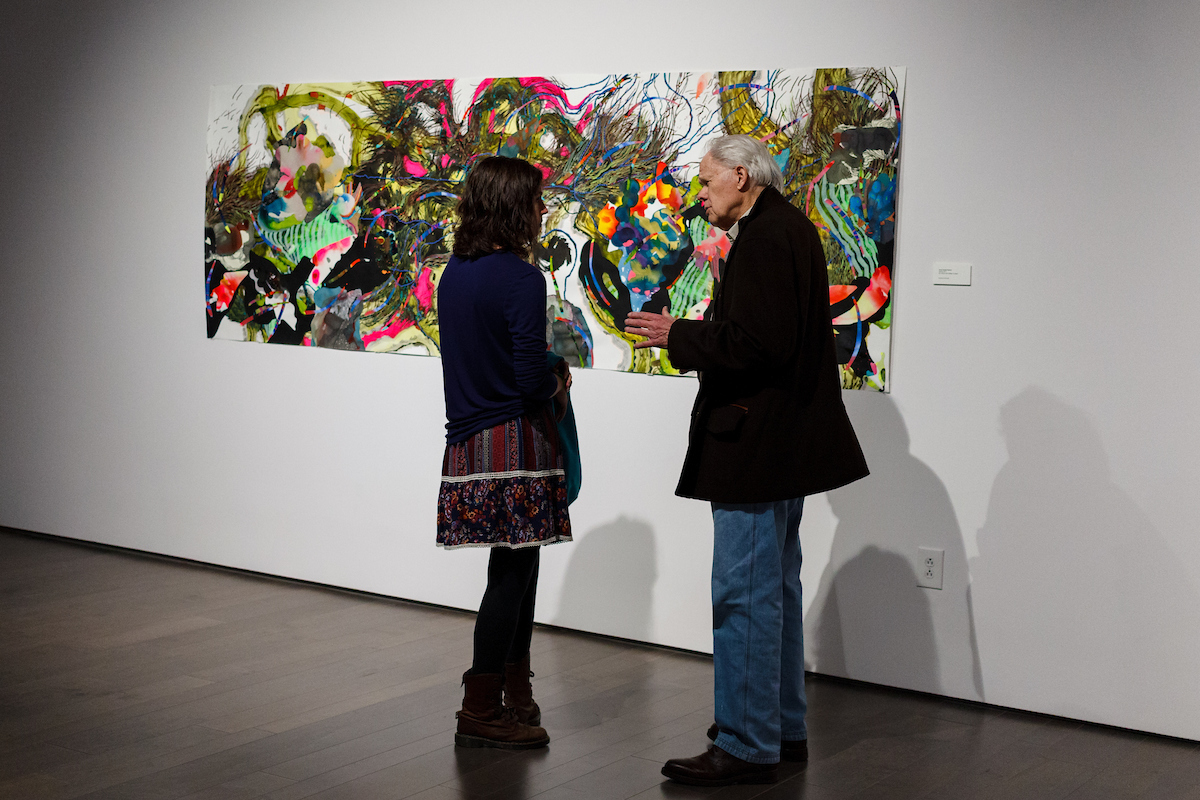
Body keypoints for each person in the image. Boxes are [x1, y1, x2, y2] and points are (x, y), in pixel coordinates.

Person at [625, 134, 869, 786]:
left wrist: (677, 333)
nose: (699, 194)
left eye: (707, 181)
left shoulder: (765, 238)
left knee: (745, 597)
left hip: (756, 448)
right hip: (778, 448)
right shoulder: (786, 230)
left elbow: (756, 345)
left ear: (741, 176)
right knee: (773, 593)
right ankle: (778, 729)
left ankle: (747, 742)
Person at [436, 155, 573, 750]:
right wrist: (557, 382)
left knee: (519, 566)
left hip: (468, 440)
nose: (544, 211)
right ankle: (482, 707)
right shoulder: (520, 277)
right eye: (538, 201)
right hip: (513, 441)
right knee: (513, 571)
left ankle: (515, 693)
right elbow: (524, 376)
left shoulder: (455, 274)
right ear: (516, 206)